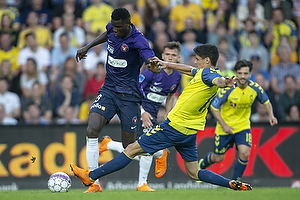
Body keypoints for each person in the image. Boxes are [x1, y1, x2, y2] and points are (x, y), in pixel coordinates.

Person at [70, 44, 253, 191]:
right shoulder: (203, 72)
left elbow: (217, 81)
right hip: (190, 131)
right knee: (194, 172)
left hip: (174, 127)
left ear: (206, 60)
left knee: (132, 149)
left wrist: (224, 83)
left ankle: (91, 176)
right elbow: (189, 70)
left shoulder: (209, 74)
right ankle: (229, 183)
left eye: (197, 60)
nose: (195, 63)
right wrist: (168, 64)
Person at [74, 8, 162, 193]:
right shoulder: (112, 28)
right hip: (109, 90)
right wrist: (87, 47)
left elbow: (148, 56)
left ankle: (159, 153)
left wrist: (152, 64)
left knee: (128, 147)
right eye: (113, 26)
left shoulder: (138, 39)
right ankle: (94, 183)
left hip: (129, 96)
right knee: (92, 128)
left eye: (119, 27)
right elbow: (106, 34)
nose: (114, 30)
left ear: (128, 24)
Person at [97, 41, 182, 191]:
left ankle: (109, 144)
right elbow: (134, 89)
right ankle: (146, 176)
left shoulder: (176, 76)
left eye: (173, 55)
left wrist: (168, 112)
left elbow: (170, 95)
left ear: (178, 58)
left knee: (139, 149)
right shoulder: (151, 71)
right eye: (167, 54)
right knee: (146, 147)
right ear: (161, 56)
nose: (169, 58)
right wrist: (142, 112)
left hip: (153, 114)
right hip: (138, 110)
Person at [198, 60, 278, 181]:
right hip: (225, 127)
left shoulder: (254, 88)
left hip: (243, 126)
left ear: (250, 74)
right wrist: (224, 125)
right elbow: (214, 108)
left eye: (245, 73)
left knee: (245, 153)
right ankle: (203, 164)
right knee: (218, 158)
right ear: (235, 73)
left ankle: (235, 181)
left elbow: (266, 102)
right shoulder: (228, 89)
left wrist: (271, 115)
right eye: (240, 73)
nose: (242, 76)